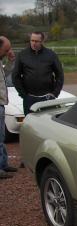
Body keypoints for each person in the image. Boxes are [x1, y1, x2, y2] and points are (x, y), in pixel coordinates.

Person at [12, 31, 64, 115]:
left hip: (47, 98)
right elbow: (15, 76)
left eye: (36, 41)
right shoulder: (22, 55)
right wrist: (23, 95)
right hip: (29, 99)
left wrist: (55, 93)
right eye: (32, 40)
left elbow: (59, 75)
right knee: (30, 125)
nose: (33, 43)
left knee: (47, 124)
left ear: (42, 41)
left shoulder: (51, 55)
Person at [0, 35, 17, 179]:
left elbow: (4, 75)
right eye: (6, 50)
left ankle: (4, 164)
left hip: (1, 103)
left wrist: (11, 62)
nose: (7, 52)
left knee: (2, 136)